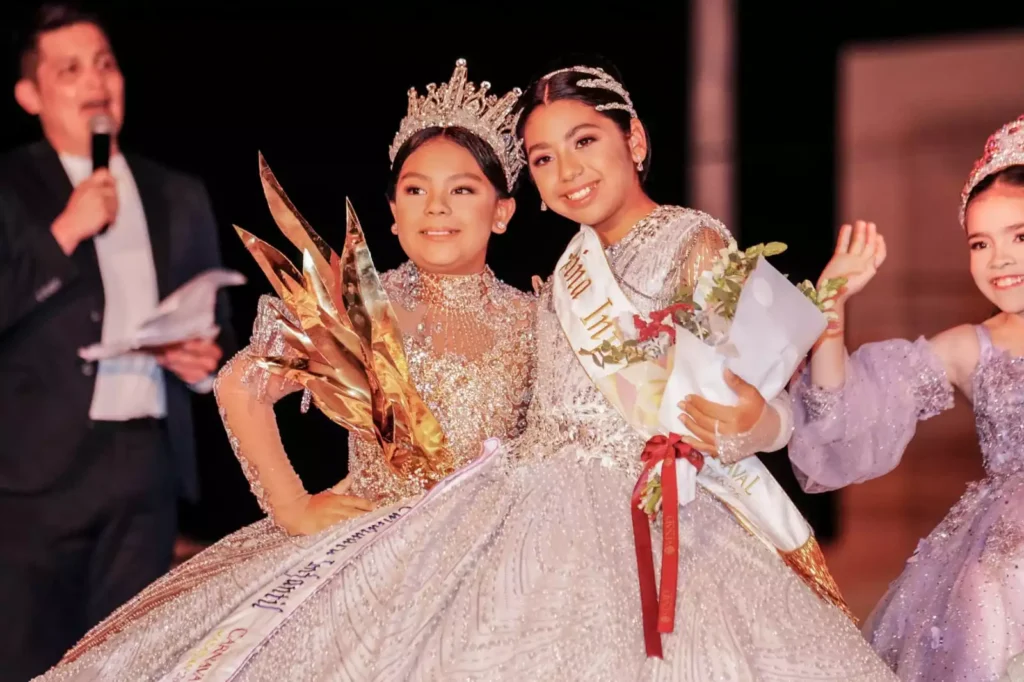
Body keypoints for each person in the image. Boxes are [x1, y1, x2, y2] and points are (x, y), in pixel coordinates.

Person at [34, 58, 537, 680]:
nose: (436, 208)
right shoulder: (358, 305)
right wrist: (294, 506)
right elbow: (240, 384)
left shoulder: (536, 320)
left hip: (492, 564)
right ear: (391, 212)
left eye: (461, 190)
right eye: (415, 190)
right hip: (365, 554)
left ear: (502, 212)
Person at [0, 5, 233, 680]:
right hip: (31, 475)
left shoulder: (177, 193)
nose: (96, 82)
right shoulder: (10, 186)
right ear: (30, 95)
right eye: (70, 69)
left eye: (105, 63)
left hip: (144, 463)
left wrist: (201, 362)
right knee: (27, 660)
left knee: (130, 665)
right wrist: (63, 234)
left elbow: (215, 323)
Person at [788, 115, 1024, 681]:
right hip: (1003, 570)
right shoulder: (972, 347)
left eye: (1020, 236)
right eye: (980, 243)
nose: (999, 259)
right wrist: (831, 309)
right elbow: (839, 417)